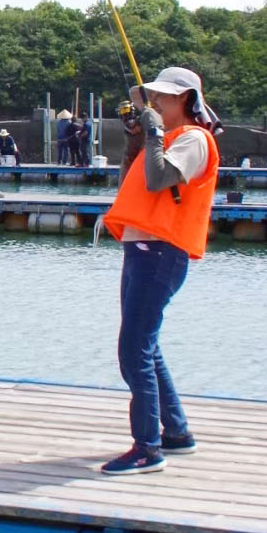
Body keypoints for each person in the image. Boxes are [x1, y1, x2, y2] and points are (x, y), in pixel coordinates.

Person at [100, 67, 221, 475]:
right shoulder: (166, 138)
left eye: (163, 97)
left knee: (133, 349)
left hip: (161, 252)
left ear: (185, 98)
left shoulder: (193, 139)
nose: (154, 103)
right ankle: (176, 431)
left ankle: (147, 448)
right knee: (145, 345)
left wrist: (152, 133)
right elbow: (132, 181)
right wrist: (137, 138)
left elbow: (158, 180)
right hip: (142, 248)